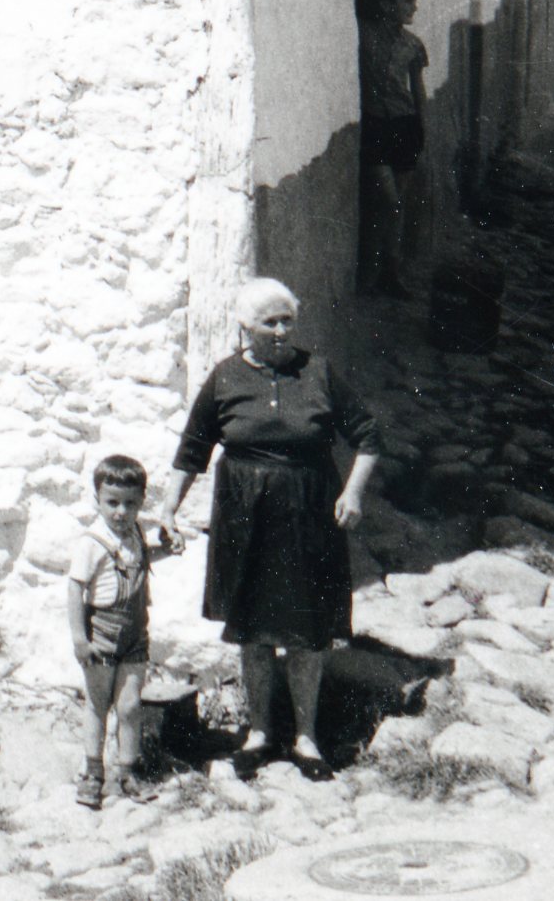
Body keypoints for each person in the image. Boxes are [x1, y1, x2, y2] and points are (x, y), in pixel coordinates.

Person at [158, 278, 381, 775]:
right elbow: (192, 450)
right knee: (252, 630)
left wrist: (352, 493)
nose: (281, 331)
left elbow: (368, 436)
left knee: (307, 630)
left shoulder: (318, 372)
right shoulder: (225, 378)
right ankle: (258, 733)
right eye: (269, 323)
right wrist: (168, 508)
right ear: (245, 326)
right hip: (245, 517)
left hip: (309, 513)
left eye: (287, 321)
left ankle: (306, 738)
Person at [66, 453, 177, 810]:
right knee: (98, 704)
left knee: (129, 706)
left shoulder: (136, 534)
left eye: (130, 504)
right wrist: (79, 639)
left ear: (141, 502)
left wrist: (166, 550)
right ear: (97, 500)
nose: (120, 512)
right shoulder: (91, 542)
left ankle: (128, 772)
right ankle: (92, 773)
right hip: (101, 632)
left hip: (135, 634)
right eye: (112, 503)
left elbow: (141, 559)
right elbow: (75, 590)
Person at [357, 0, 427, 297]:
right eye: (407, 1)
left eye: (414, 1)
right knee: (388, 200)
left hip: (405, 126)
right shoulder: (364, 35)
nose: (413, 8)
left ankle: (391, 273)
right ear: (387, 5)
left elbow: (418, 91)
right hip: (376, 125)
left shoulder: (413, 46)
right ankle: (372, 274)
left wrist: (423, 129)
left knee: (396, 202)